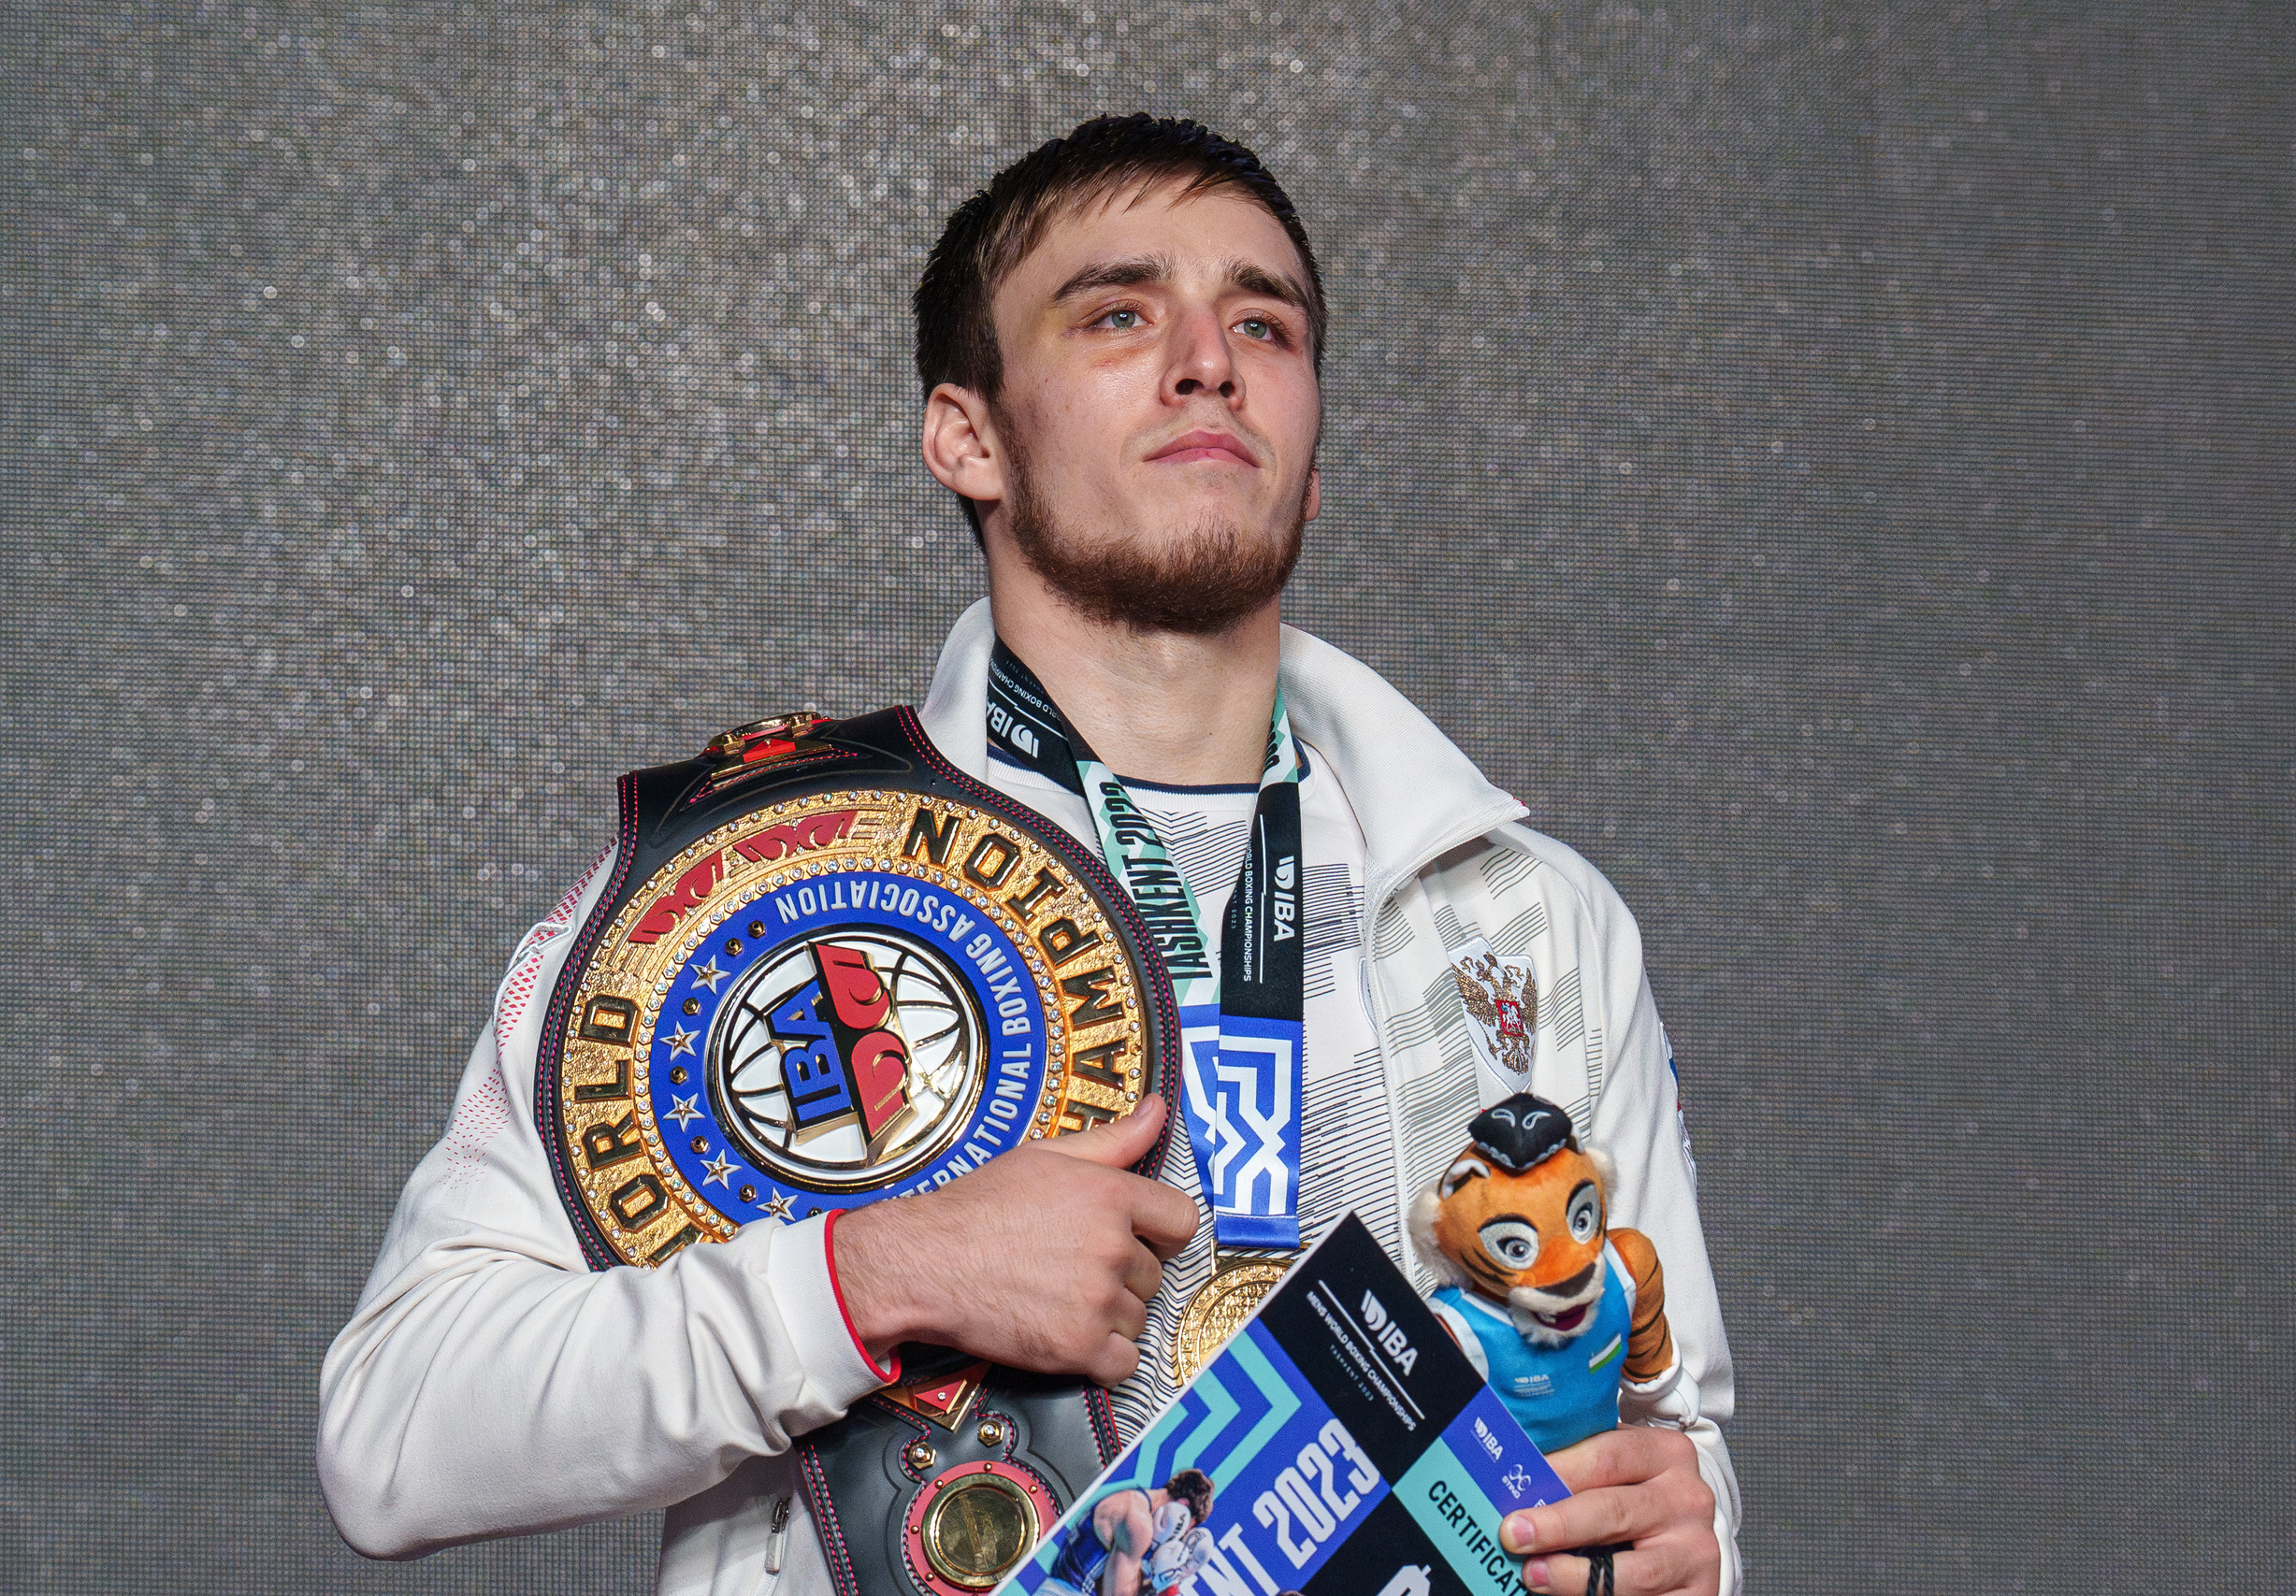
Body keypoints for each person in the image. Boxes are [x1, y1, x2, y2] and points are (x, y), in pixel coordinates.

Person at [318, 114, 1740, 1596]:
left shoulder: (1535, 917)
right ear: (968, 434)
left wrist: (1688, 1533)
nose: (1211, 358)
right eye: (1121, 313)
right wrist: (872, 1277)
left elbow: (1675, 1446)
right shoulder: (752, 884)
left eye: (1265, 322)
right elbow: (394, 1426)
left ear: (1311, 460)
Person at [1036, 1471, 1214, 1596]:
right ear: (1182, 1508)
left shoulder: (1133, 1501)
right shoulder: (1139, 1523)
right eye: (1184, 1529)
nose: (1177, 1537)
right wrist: (1163, 1585)